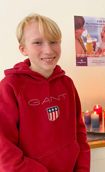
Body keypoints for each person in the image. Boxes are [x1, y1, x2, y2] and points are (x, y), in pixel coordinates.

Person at [0, 13, 90, 172]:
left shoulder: (67, 84)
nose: (48, 50)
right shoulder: (10, 86)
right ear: (23, 49)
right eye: (37, 42)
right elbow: (4, 148)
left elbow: (79, 132)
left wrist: (82, 168)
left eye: (54, 42)